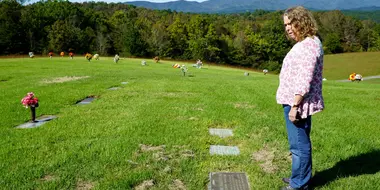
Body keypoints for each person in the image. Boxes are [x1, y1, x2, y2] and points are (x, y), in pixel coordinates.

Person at [276, 6, 324, 190]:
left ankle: (299, 184)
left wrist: (295, 105)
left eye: (290, 23)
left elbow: (304, 78)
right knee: (297, 143)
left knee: (299, 146)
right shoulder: (306, 43)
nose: (287, 28)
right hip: (292, 100)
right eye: (285, 25)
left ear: (301, 21)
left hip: (298, 103)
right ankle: (299, 177)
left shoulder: (309, 45)